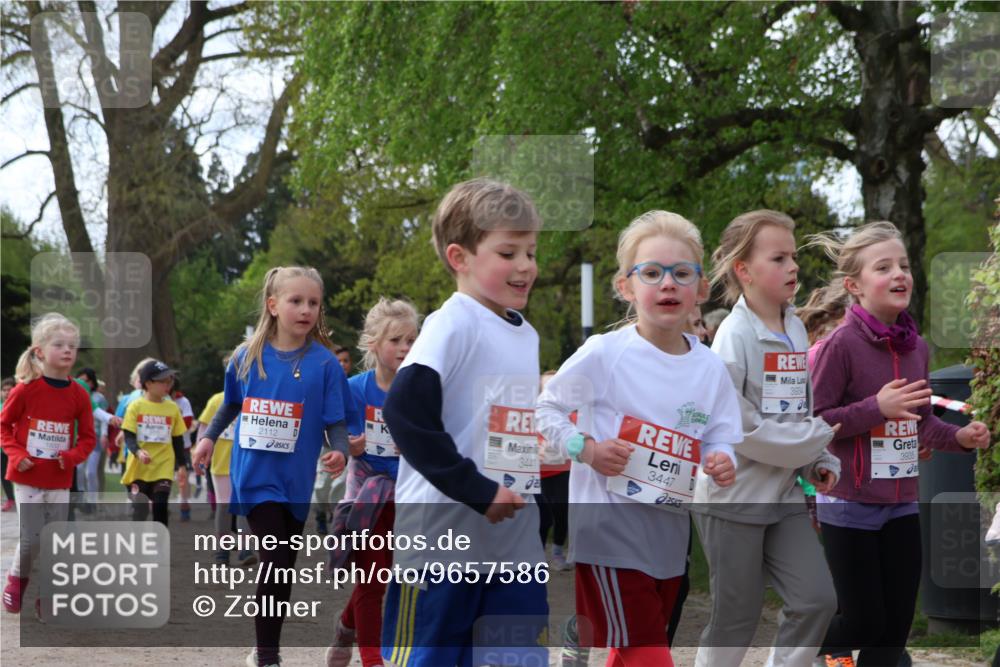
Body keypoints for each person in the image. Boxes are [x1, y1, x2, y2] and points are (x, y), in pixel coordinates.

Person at [537, 210, 743, 667]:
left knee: (632, 650)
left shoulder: (709, 367)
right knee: (649, 655)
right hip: (608, 533)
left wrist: (722, 458)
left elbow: (721, 434)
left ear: (701, 288)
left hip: (668, 536)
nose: (667, 284)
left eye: (681, 273)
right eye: (651, 272)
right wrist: (586, 449)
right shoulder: (605, 354)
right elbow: (545, 409)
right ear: (626, 287)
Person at [381, 179, 548, 667]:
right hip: (441, 539)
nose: (525, 266)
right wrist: (477, 489)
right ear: (460, 258)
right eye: (508, 252)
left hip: (512, 540)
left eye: (531, 252)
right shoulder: (452, 322)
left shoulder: (526, 333)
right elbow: (404, 412)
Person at [809, 221, 991, 667]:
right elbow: (814, 424)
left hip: (903, 503)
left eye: (904, 265)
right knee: (863, 622)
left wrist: (962, 438)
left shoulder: (917, 349)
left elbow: (924, 423)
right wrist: (877, 407)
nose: (899, 274)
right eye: (884, 267)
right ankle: (812, 644)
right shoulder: (841, 345)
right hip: (848, 504)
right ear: (854, 285)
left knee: (893, 633)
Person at [694, 209, 840, 667]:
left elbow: (801, 411)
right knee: (735, 620)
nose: (793, 267)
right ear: (744, 270)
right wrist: (813, 442)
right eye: (779, 258)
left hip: (784, 497)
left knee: (817, 600)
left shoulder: (796, 326)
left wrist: (820, 462)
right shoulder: (732, 338)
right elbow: (737, 426)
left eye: (793, 257)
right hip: (731, 499)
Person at [193, 266, 351, 667]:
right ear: (273, 305)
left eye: (313, 302)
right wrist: (209, 437)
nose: (305, 309)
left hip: (296, 478)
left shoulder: (326, 364)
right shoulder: (248, 356)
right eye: (296, 300)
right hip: (256, 475)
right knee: (276, 559)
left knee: (283, 569)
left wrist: (340, 450)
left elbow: (335, 419)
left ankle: (265, 649)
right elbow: (231, 401)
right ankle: (267, 656)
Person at [327, 297, 419, 667]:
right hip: (367, 496)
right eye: (396, 340)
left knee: (401, 579)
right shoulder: (354, 389)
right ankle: (372, 660)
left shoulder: (422, 389)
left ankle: (346, 626)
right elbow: (332, 430)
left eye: (411, 340)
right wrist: (347, 443)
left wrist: (418, 443)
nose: (405, 348)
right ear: (373, 344)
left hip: (413, 496)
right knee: (372, 580)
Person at [1, 314, 95, 614]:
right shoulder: (25, 390)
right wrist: (17, 455)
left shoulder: (80, 393)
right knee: (31, 537)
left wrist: (70, 457)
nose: (68, 350)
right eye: (59, 345)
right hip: (27, 475)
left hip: (59, 477)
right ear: (39, 351)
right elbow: (3, 427)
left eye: (72, 346)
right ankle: (16, 580)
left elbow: (88, 439)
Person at [195, 357, 256, 567]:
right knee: (224, 504)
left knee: (244, 503)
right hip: (221, 462)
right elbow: (204, 430)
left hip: (248, 460)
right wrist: (200, 453)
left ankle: (245, 549)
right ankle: (222, 550)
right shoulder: (217, 400)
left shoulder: (255, 398)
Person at [120, 360, 187, 526]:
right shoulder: (135, 407)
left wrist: (182, 466)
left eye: (169, 381)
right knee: (140, 510)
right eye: (163, 381)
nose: (168, 385)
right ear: (148, 383)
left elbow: (177, 439)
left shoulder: (172, 409)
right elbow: (129, 437)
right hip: (139, 467)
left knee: (160, 505)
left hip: (163, 464)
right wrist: (138, 452)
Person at [1, 377, 16, 512]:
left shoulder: (18, 405)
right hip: (2, 448)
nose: (6, 392)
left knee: (17, 474)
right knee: (3, 475)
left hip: (16, 448)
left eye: (9, 389)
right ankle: (10, 499)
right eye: (4, 390)